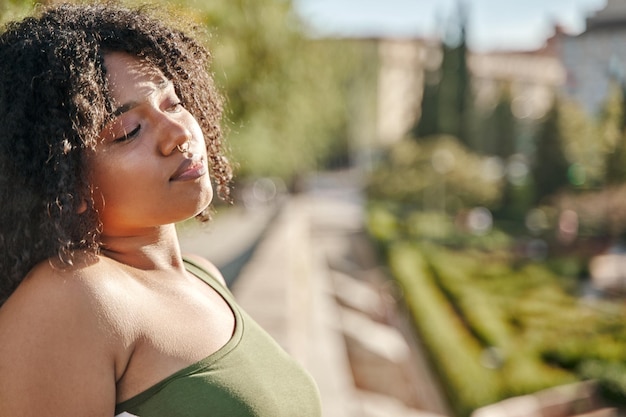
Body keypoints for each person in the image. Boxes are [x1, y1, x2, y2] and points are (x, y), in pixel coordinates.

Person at [0, 3, 322, 416]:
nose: (178, 133)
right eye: (129, 131)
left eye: (171, 103)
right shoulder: (74, 295)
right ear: (64, 182)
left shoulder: (204, 275)